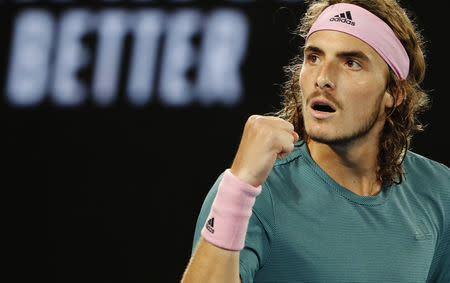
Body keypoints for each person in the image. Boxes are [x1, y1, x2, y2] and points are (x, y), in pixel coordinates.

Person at [181, 0, 450, 282]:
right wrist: (240, 186)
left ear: (393, 93)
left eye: (351, 63)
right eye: (314, 57)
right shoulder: (254, 193)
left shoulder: (439, 193)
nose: (323, 78)